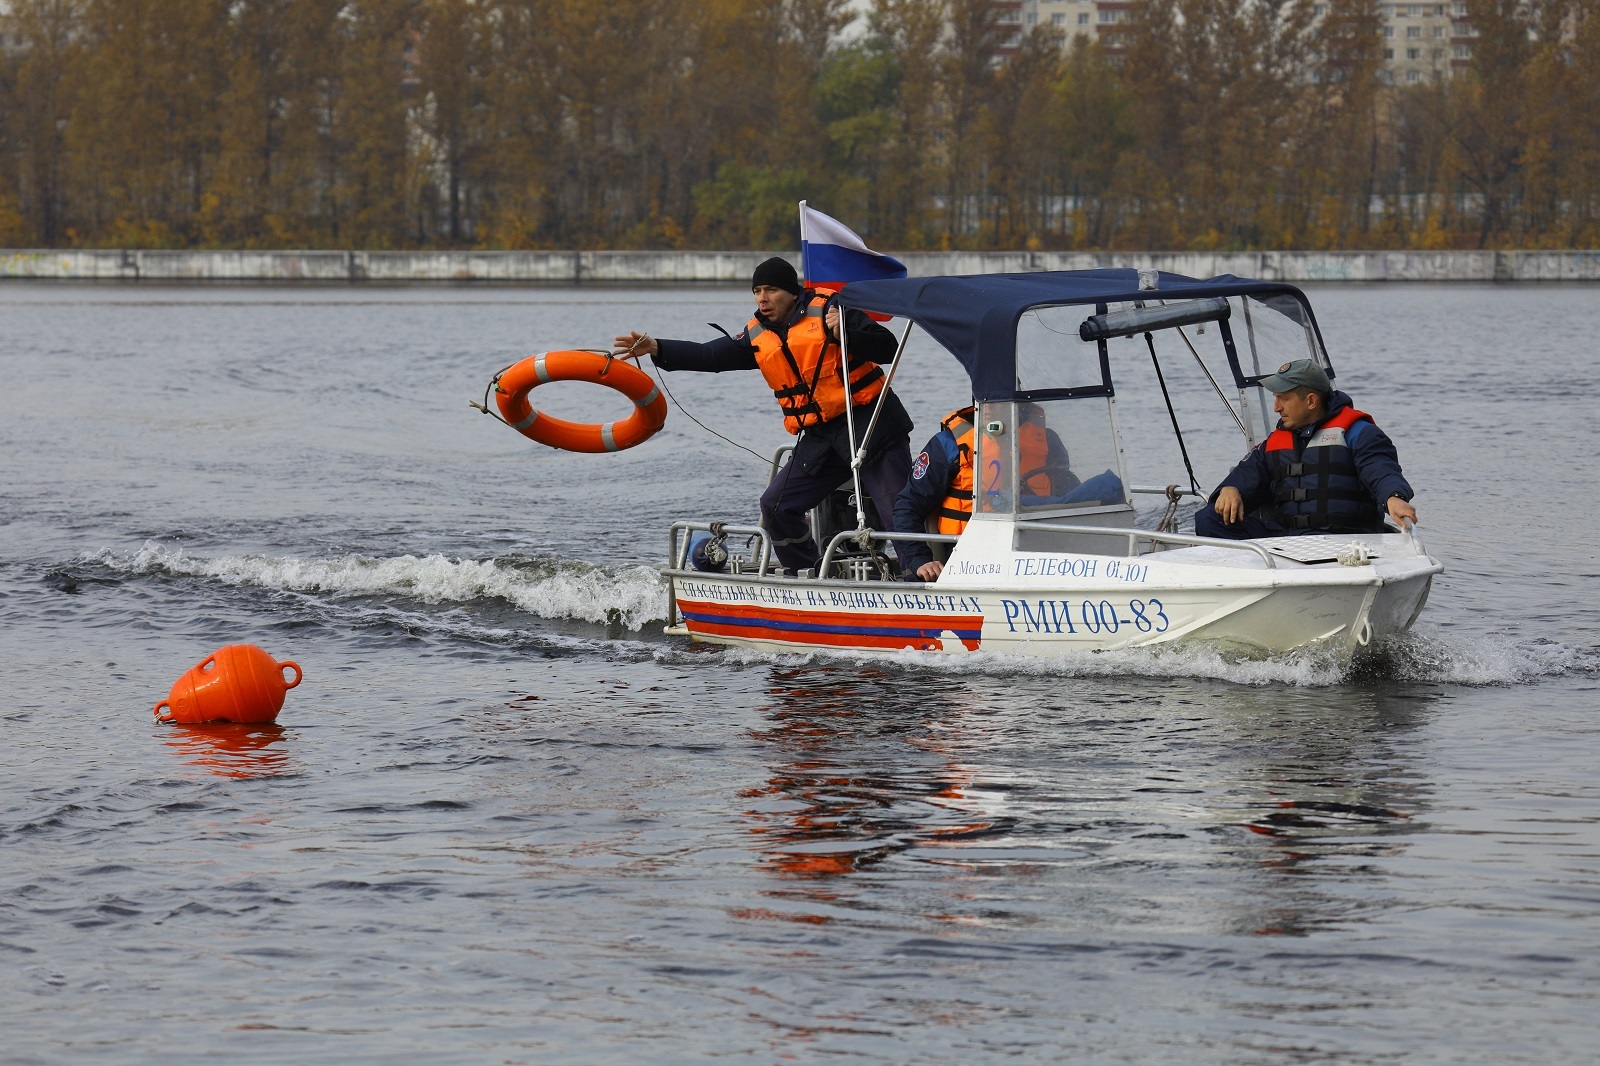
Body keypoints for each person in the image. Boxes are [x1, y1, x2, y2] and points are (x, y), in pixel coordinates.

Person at [614, 257, 913, 574]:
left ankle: (918, 577)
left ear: (792, 292)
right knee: (776, 506)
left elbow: (888, 348)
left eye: (771, 290)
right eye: (757, 291)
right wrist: (658, 347)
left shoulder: (833, 310)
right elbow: (711, 355)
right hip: (821, 437)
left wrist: (847, 335)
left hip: (871, 426)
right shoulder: (759, 335)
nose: (762, 298)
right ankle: (808, 575)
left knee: (898, 511)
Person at [1195, 358, 1418, 540]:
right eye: (1275, 399)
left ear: (1311, 401)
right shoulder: (1275, 442)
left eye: (1283, 398)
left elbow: (1381, 470)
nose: (1276, 407)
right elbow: (1244, 476)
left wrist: (1394, 497)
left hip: (1350, 540)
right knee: (1208, 519)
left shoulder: (1359, 433)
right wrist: (1230, 490)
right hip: (1290, 540)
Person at [893, 403, 1078, 581]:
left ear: (1018, 405)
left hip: (1037, 549)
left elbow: (1069, 493)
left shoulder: (1046, 440)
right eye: (982, 400)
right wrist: (921, 561)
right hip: (970, 556)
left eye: (996, 401)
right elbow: (907, 506)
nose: (987, 408)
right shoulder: (949, 444)